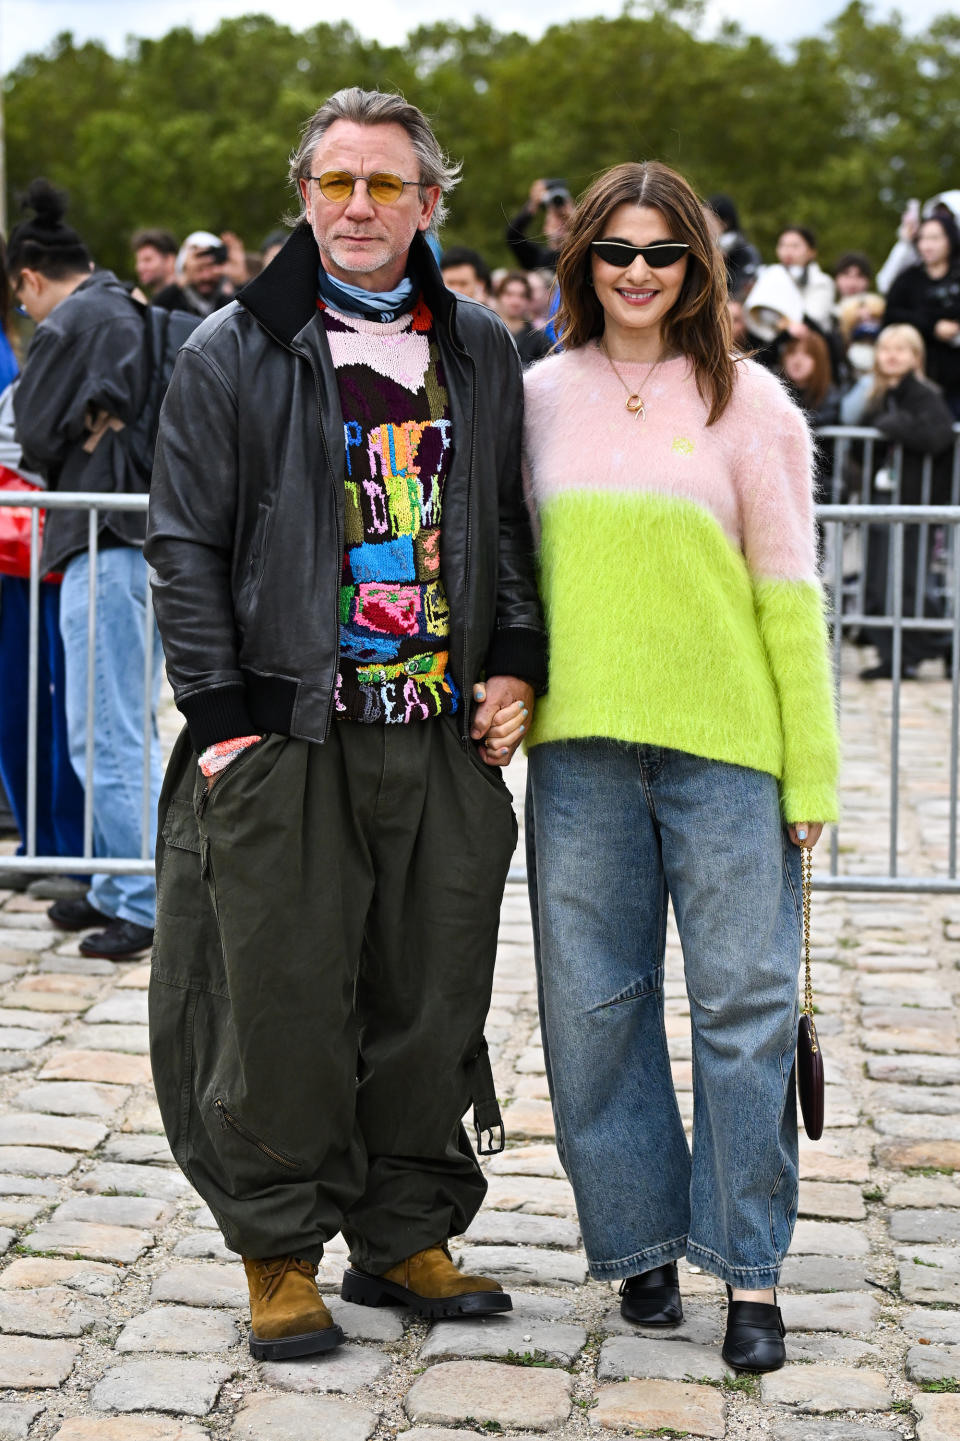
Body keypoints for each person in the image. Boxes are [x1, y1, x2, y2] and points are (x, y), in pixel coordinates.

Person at [145, 86, 546, 1363]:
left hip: (437, 734)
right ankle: (276, 1250)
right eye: (336, 183)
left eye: (386, 185)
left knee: (430, 994)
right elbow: (183, 544)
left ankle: (402, 1229)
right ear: (303, 195)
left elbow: (507, 531)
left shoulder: (481, 346)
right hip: (287, 735)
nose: (359, 207)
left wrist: (517, 663)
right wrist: (223, 723)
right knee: (279, 1006)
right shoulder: (230, 349)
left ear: (432, 201)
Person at [521, 161, 838, 1375]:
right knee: (593, 1014)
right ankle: (640, 1240)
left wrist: (809, 770)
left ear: (697, 264)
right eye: (617, 251)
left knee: (746, 1014)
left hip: (729, 755)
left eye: (663, 252)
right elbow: (510, 575)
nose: (640, 272)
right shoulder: (539, 395)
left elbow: (788, 595)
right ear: (584, 262)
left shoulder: (754, 405)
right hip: (582, 753)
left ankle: (750, 1269)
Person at [10, 180, 163, 959]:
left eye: (21, 302)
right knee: (106, 727)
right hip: (121, 542)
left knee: (105, 733)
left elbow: (33, 431)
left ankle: (140, 898)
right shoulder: (118, 306)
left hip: (106, 543)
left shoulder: (77, 319)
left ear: (29, 279)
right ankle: (113, 880)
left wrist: (66, 428)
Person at [841, 324, 955, 679]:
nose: (891, 355)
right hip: (883, 500)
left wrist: (894, 425)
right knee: (878, 581)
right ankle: (895, 657)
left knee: (905, 582)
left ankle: (938, 645)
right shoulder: (877, 395)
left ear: (915, 357)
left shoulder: (923, 395)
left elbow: (938, 435)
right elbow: (861, 447)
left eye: (901, 349)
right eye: (886, 348)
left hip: (912, 503)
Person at [883, 214, 960, 419]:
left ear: (950, 240)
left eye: (935, 238)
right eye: (923, 238)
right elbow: (891, 314)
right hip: (916, 380)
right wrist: (933, 326)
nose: (927, 245)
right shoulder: (908, 278)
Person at [152, 231, 233, 317]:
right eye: (199, 270)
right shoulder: (170, 304)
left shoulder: (229, 304)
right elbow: (155, 309)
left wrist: (239, 280)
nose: (206, 277)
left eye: (210, 269)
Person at [771, 226, 835, 330]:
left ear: (811, 252)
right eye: (783, 245)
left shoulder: (822, 282)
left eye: (795, 246)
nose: (787, 250)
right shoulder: (769, 276)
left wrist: (784, 323)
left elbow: (815, 316)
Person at [505, 178, 575, 272]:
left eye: (565, 221)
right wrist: (533, 204)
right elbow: (513, 235)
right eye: (556, 220)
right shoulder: (537, 258)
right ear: (545, 228)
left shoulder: (581, 255)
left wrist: (575, 217)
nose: (561, 225)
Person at [704, 195, 761, 295]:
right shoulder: (705, 247)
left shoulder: (745, 252)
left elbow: (746, 286)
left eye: (709, 219)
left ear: (724, 223)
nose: (703, 224)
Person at [494, 271, 552, 367]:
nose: (515, 301)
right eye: (509, 294)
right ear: (499, 297)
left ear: (528, 300)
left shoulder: (540, 340)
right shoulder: (488, 333)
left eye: (522, 296)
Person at [131, 229, 178, 296]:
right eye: (138, 261)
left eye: (148, 260)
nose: (139, 267)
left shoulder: (187, 300)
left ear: (169, 261)